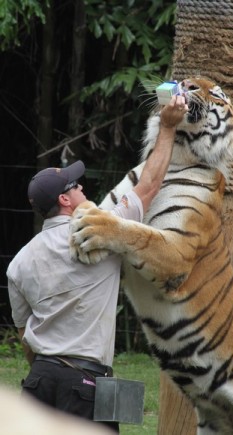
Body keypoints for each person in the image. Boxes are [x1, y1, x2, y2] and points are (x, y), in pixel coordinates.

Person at [6, 95, 188, 433]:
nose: (82, 186)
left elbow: (24, 336)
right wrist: (167, 127)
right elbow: (148, 186)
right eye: (75, 185)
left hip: (38, 383)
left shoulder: (17, 264)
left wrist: (49, 372)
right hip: (84, 384)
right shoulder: (100, 234)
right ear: (64, 199)